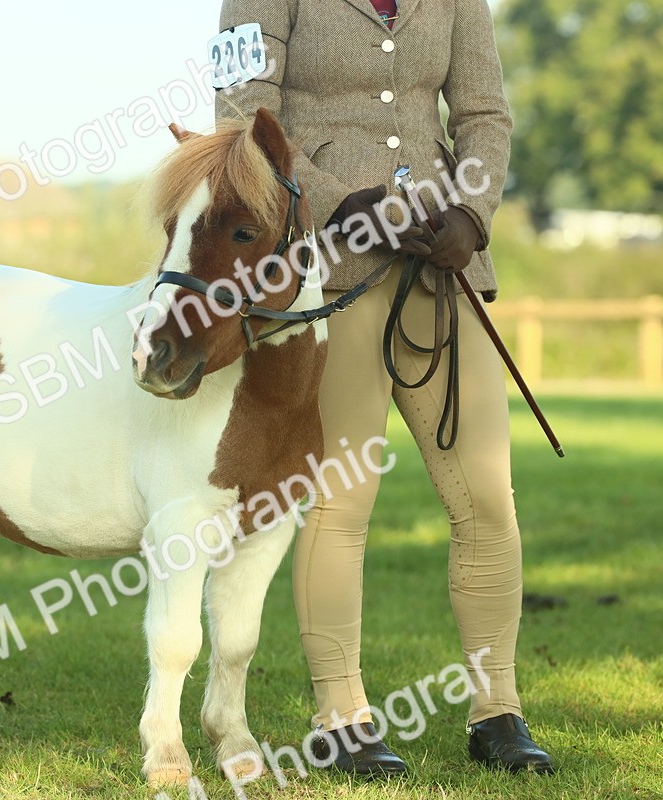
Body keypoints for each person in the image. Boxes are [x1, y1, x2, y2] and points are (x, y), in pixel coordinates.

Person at [216, 0, 554, 776]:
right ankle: (342, 717)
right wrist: (341, 203)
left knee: (487, 497)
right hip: (328, 263)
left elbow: (483, 114)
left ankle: (497, 712)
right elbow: (241, 112)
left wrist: (473, 211)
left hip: (444, 263)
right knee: (342, 501)